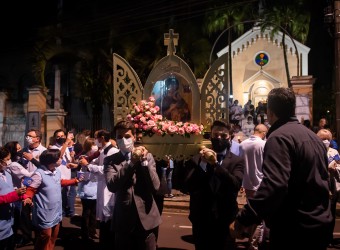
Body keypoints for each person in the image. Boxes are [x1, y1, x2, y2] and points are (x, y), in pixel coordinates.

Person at [230, 87, 332, 250]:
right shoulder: (314, 138)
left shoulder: (279, 138)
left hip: (295, 230)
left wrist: (243, 219)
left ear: (270, 112)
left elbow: (274, 185)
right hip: (320, 225)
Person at [183, 120, 245, 250]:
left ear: (230, 138)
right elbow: (189, 185)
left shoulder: (237, 160)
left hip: (225, 220)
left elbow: (235, 184)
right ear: (210, 136)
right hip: (201, 219)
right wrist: (203, 164)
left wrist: (215, 164)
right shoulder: (196, 159)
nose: (219, 138)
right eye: (216, 135)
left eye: (223, 136)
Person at [104, 120, 161, 250]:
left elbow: (155, 186)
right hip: (123, 221)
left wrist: (144, 163)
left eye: (127, 136)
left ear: (134, 137)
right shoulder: (110, 160)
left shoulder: (148, 157)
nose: (123, 140)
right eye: (119, 137)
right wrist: (130, 164)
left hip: (147, 219)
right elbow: (112, 186)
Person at [23, 149, 83, 250]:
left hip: (56, 210)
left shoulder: (56, 171)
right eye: (59, 158)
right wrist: (28, 198)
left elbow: (59, 182)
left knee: (53, 237)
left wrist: (74, 181)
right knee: (45, 236)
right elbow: (30, 189)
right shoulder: (38, 174)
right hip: (45, 211)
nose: (60, 160)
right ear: (51, 161)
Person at [78, 129, 119, 249]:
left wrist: (88, 165)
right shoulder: (103, 151)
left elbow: (105, 169)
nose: (95, 140)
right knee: (102, 219)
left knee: (108, 217)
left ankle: (108, 243)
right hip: (101, 186)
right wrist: (84, 163)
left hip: (108, 187)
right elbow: (96, 162)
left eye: (96, 137)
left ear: (101, 138)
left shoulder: (113, 151)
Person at [239, 124, 268, 250]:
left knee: (251, 212)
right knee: (259, 217)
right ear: (264, 133)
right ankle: (254, 243)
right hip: (260, 183)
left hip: (247, 183)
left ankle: (249, 236)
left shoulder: (242, 144)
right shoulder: (263, 145)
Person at [17, 129, 47, 246]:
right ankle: (26, 236)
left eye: (30, 136)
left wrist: (32, 159)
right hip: (26, 185)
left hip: (39, 186)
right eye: (27, 135)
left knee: (39, 211)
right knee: (25, 212)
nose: (27, 137)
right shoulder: (24, 150)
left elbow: (45, 168)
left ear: (37, 139)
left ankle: (40, 236)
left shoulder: (44, 151)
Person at [317, 128, 340, 247]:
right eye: (322, 139)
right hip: (320, 187)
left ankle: (329, 237)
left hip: (332, 187)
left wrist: (336, 167)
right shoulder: (315, 151)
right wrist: (327, 167)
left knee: (331, 214)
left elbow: (339, 165)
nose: (325, 141)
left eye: (327, 139)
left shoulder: (334, 152)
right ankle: (320, 237)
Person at [0, 147, 27, 250]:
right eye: (7, 159)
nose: (9, 162)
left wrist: (23, 196)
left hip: (9, 223)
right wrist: (15, 195)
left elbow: (11, 190)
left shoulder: (7, 173)